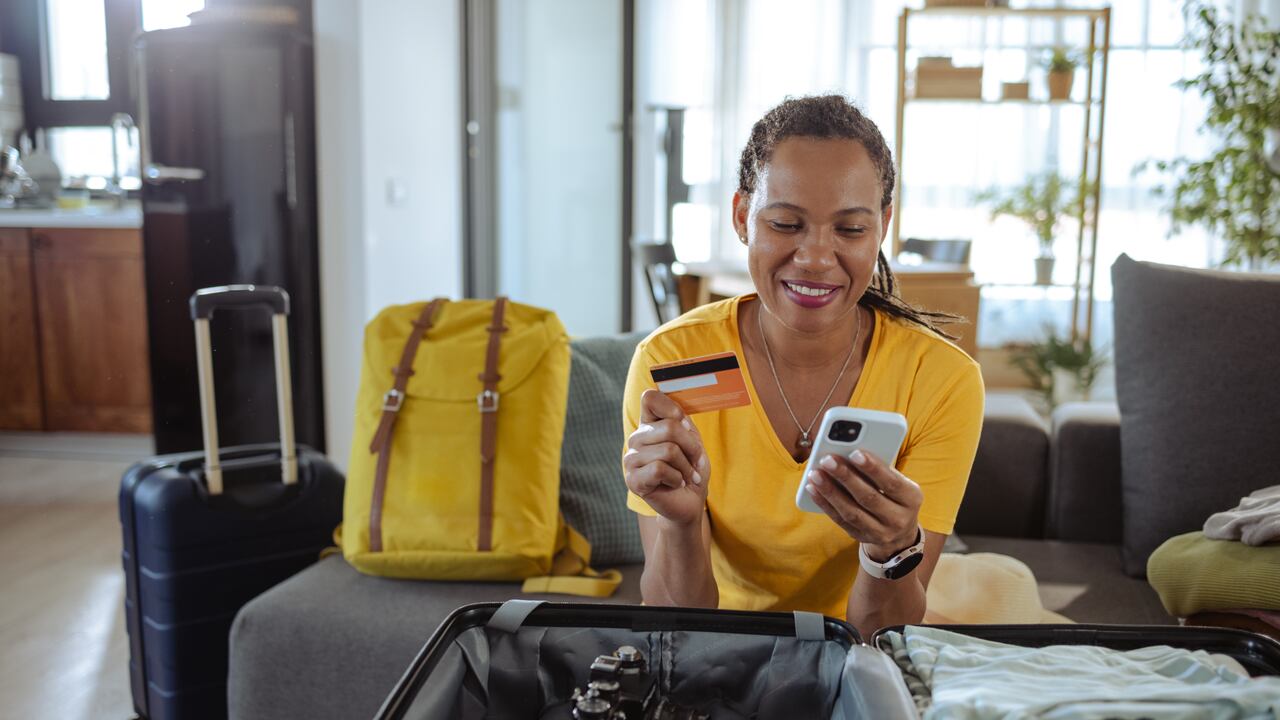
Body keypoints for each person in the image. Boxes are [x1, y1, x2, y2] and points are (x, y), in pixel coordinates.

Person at [621, 95, 984, 639]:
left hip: (856, 658)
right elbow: (678, 624)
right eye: (787, 224)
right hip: (723, 648)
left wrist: (892, 548)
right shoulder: (670, 361)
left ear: (883, 225)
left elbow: (876, 634)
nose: (815, 257)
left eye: (850, 230)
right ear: (743, 217)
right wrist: (679, 521)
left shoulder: (940, 380)